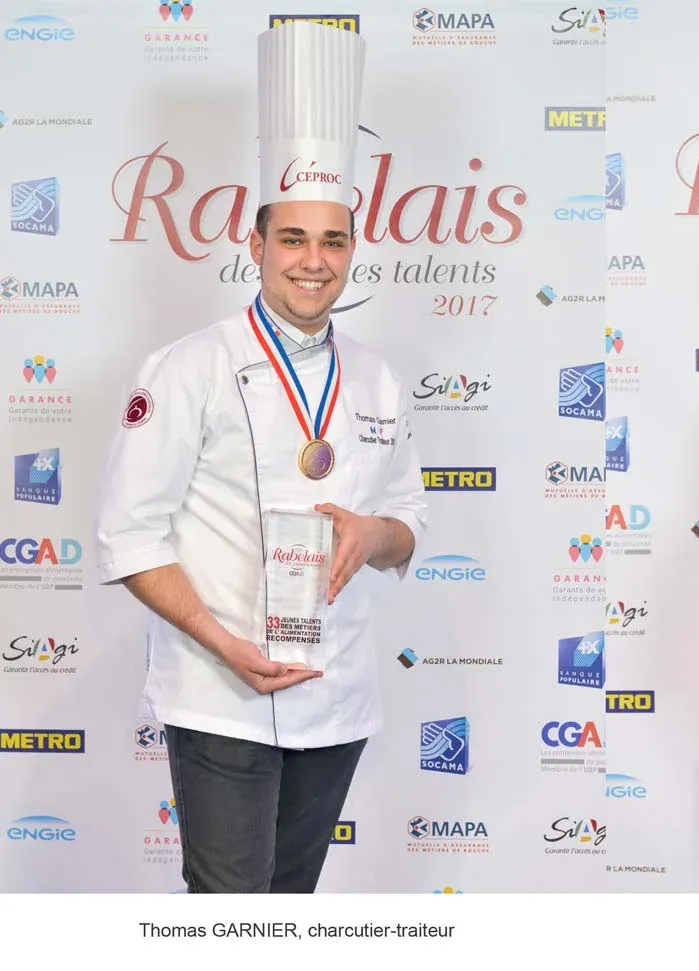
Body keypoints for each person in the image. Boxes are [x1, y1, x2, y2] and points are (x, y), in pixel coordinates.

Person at [92, 21, 427, 894]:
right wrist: (221, 642)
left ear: (353, 249)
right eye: (294, 240)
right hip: (221, 693)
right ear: (257, 243)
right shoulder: (186, 368)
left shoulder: (380, 379)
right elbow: (130, 537)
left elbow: (409, 527)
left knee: (292, 913)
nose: (313, 263)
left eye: (333, 242)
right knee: (230, 917)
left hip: (337, 695)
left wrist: (373, 533)